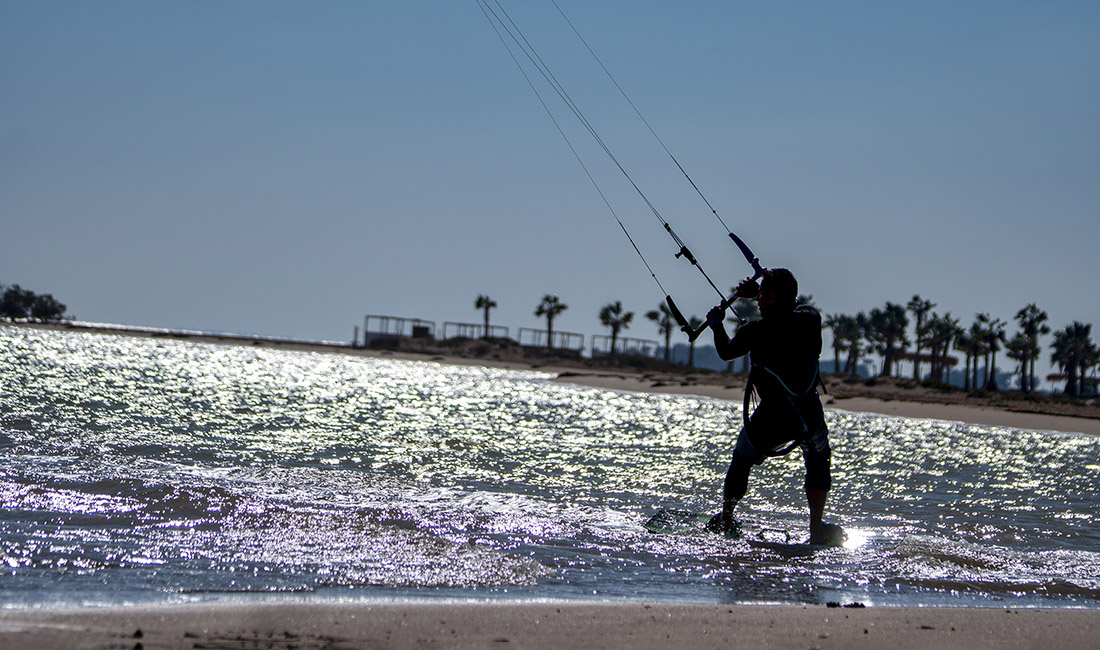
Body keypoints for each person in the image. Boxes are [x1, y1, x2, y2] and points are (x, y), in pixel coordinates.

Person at [704, 268, 840, 545]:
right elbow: (793, 309)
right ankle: (816, 529)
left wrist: (717, 324)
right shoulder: (810, 319)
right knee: (818, 458)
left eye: (763, 295)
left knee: (742, 459)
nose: (758, 300)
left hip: (773, 416)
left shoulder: (755, 330)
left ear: (774, 297)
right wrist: (762, 292)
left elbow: (727, 352)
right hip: (808, 413)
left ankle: (727, 519)